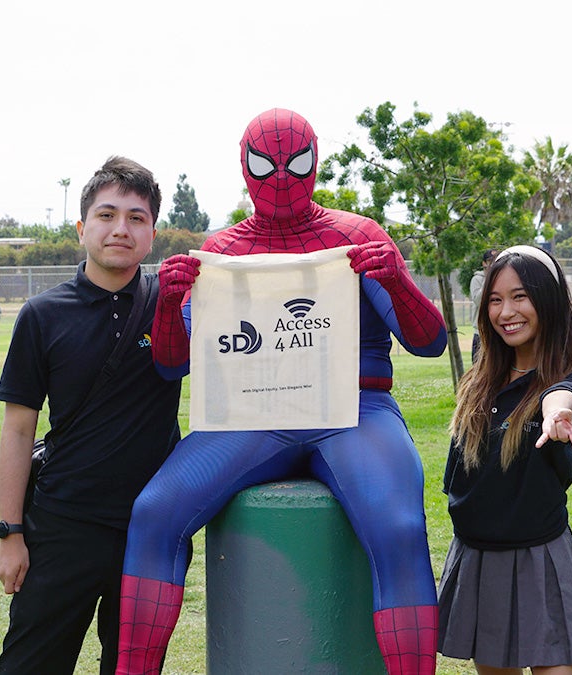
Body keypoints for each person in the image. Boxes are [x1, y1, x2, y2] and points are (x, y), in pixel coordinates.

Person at [116, 108, 448, 675]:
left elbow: (430, 341)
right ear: (243, 167)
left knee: (398, 527)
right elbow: (172, 365)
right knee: (154, 512)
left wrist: (394, 278)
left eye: (294, 164)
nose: (279, 179)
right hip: (253, 409)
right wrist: (171, 304)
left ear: (315, 162)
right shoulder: (221, 252)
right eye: (264, 164)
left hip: (354, 406)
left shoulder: (357, 237)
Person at [0, 156, 182, 675]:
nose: (121, 228)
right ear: (82, 228)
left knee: (134, 668)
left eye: (136, 218)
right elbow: (18, 427)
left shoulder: (175, 305)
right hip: (62, 526)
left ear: (152, 233)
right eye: (107, 214)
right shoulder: (43, 315)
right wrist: (11, 533)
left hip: (151, 531)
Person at [439, 244, 572, 674]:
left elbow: (562, 397)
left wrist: (556, 412)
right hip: (478, 552)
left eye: (519, 296)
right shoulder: (482, 371)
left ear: (546, 301)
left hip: (539, 554)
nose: (505, 311)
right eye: (495, 299)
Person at [471, 248, 501, 363]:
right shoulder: (477, 279)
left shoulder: (501, 279)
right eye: (490, 261)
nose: (493, 263)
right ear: (484, 263)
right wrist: (488, 278)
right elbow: (479, 301)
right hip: (480, 332)